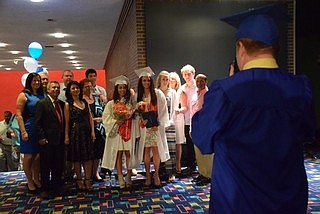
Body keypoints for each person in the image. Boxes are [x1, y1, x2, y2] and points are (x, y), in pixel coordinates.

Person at [192, 4, 316, 213]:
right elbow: (308, 132)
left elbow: (202, 137)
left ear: (240, 46)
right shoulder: (300, 86)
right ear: (276, 47)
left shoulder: (225, 90)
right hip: (287, 198)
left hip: (237, 200)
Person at [101, 75, 139, 189]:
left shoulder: (131, 103)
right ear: (116, 89)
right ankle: (120, 177)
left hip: (128, 131)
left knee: (128, 153)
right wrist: (116, 121)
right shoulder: (111, 104)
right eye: (120, 88)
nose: (122, 90)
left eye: (124, 88)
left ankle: (128, 176)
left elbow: (136, 116)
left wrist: (130, 114)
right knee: (118, 154)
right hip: (117, 132)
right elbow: (105, 118)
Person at [134, 67, 170, 187]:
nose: (146, 83)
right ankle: (148, 175)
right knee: (146, 150)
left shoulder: (157, 93)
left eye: (148, 80)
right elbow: (136, 113)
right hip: (144, 128)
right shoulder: (138, 96)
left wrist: (158, 124)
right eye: (144, 80)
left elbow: (163, 111)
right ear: (141, 82)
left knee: (156, 151)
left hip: (155, 128)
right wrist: (142, 120)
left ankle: (156, 175)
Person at [35, 81, 65, 199]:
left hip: (60, 140)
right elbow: (37, 123)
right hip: (47, 141)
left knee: (58, 165)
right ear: (48, 90)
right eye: (53, 87)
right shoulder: (42, 103)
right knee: (46, 166)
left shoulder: (62, 104)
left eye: (58, 87)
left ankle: (56, 188)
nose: (56, 89)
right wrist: (42, 137)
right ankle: (45, 189)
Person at [16, 73, 45, 194]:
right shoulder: (23, 95)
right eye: (34, 81)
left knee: (38, 157)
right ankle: (29, 181)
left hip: (41, 127)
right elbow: (18, 114)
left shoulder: (42, 94)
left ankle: (36, 178)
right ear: (29, 81)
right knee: (28, 156)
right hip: (28, 127)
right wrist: (23, 131)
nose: (37, 83)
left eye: (38, 80)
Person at [64, 81, 95, 191]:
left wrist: (92, 132)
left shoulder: (84, 102)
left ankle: (87, 179)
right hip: (75, 133)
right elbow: (67, 122)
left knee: (88, 157)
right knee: (77, 159)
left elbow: (90, 117)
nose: (76, 90)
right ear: (69, 91)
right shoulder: (68, 104)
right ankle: (79, 180)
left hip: (86, 132)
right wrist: (66, 136)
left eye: (77, 88)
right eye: (73, 88)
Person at [81, 78, 106, 182]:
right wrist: (92, 121)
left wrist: (101, 119)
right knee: (88, 153)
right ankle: (87, 174)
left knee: (98, 152)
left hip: (99, 129)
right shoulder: (80, 100)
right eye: (86, 86)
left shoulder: (96, 98)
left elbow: (104, 111)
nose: (89, 88)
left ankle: (95, 172)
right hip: (86, 130)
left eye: (90, 86)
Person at [189, 74, 212, 186]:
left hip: (205, 127)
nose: (199, 83)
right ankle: (202, 173)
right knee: (197, 152)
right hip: (195, 127)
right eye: (198, 81)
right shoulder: (195, 94)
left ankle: (208, 175)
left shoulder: (208, 94)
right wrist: (191, 129)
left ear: (206, 82)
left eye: (202, 81)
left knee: (206, 153)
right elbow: (192, 112)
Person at [156, 70, 178, 181]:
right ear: (159, 80)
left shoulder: (173, 92)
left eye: (167, 79)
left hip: (169, 125)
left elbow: (174, 109)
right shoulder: (156, 92)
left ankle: (171, 173)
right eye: (163, 79)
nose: (165, 81)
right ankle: (160, 171)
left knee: (171, 149)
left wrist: (168, 123)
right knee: (159, 149)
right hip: (158, 125)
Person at [169, 72, 187, 178]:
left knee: (178, 142)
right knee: (170, 143)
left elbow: (185, 107)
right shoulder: (165, 92)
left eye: (173, 79)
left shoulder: (180, 92)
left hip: (178, 118)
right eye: (169, 79)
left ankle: (178, 165)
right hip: (169, 118)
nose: (171, 81)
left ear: (177, 81)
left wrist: (178, 110)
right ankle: (169, 166)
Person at [180, 64, 197, 176]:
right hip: (186, 120)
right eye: (185, 74)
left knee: (198, 143)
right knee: (189, 144)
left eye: (188, 74)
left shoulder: (199, 86)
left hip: (197, 119)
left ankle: (202, 167)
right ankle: (191, 166)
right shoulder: (182, 88)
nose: (187, 76)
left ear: (193, 74)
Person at [58, 69, 74, 183]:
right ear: (62, 78)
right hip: (61, 126)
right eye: (66, 76)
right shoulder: (58, 92)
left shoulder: (75, 90)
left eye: (70, 76)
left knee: (73, 152)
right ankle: (62, 174)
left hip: (74, 126)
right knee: (62, 153)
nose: (68, 78)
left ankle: (71, 174)